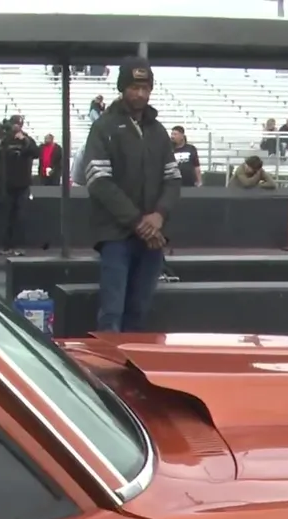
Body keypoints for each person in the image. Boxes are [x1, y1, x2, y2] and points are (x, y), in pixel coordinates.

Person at [80, 56, 181, 333]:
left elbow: (173, 179)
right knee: (112, 312)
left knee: (139, 310)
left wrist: (159, 216)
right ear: (122, 88)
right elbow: (99, 181)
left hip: (152, 238)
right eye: (134, 87)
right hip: (116, 236)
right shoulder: (104, 127)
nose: (140, 94)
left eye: (145, 88)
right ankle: (107, 361)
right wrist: (139, 222)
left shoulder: (158, 131)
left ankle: (130, 360)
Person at [0, 114, 36, 255]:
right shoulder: (4, 139)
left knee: (20, 216)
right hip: (6, 183)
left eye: (19, 124)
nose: (16, 126)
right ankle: (6, 246)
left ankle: (19, 246)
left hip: (22, 184)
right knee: (5, 216)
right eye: (14, 123)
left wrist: (25, 140)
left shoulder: (26, 139)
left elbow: (36, 152)